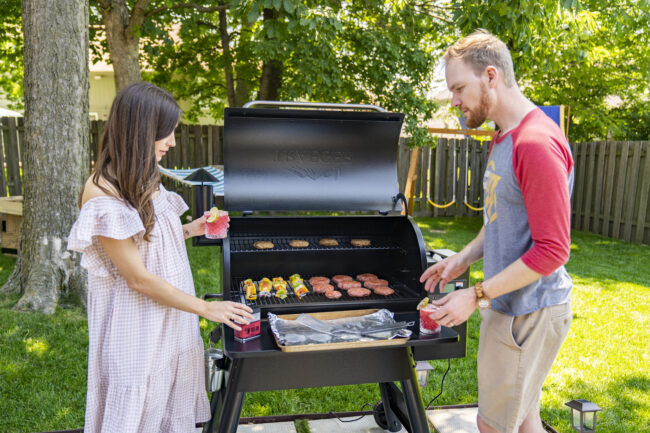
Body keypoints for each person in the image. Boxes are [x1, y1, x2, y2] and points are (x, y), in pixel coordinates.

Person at [67, 82, 253, 433]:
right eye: (166, 133)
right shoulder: (102, 192)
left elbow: (144, 243)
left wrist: (190, 229)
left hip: (171, 318)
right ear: (141, 130)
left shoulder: (141, 176)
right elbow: (136, 277)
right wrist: (206, 307)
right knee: (138, 413)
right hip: (137, 327)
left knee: (168, 406)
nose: (172, 142)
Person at [420, 30, 574, 433]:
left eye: (458, 88)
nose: (454, 100)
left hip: (528, 311)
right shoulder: (503, 138)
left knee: (494, 425)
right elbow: (500, 221)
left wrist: (476, 294)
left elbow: (553, 251)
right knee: (524, 420)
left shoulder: (535, 144)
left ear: (491, 76)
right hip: (510, 305)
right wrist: (463, 259)